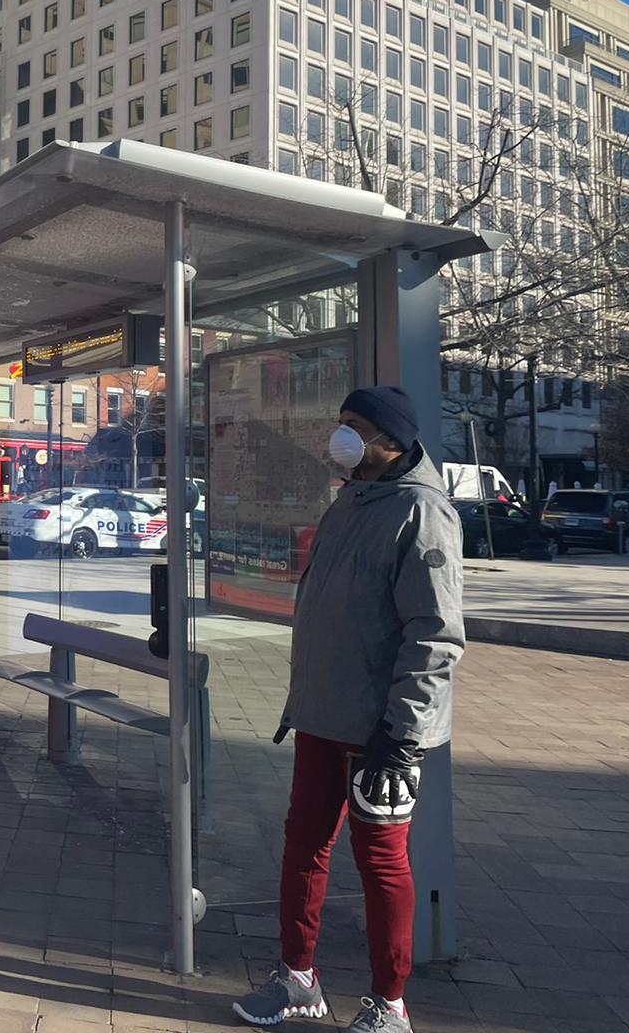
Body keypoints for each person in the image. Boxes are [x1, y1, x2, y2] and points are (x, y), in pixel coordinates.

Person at [234, 386, 464, 1033]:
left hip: (380, 731)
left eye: (356, 425)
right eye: (342, 422)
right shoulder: (351, 499)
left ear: (392, 438)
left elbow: (435, 634)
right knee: (303, 844)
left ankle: (390, 1006)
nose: (343, 436)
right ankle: (296, 978)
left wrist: (403, 732)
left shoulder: (423, 511)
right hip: (320, 715)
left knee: (381, 862)